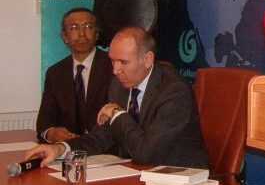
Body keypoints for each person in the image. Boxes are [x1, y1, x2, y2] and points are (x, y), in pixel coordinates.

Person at [26, 26, 208, 169]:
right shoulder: (119, 84)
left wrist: (117, 113)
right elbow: (103, 136)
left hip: (180, 181)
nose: (115, 70)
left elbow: (145, 153)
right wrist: (60, 148)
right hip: (138, 173)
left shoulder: (174, 91)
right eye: (113, 61)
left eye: (123, 62)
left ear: (147, 59)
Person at [36, 7, 112, 143]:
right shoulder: (55, 73)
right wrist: (52, 133)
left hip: (106, 147)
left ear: (96, 34)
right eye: (74, 28)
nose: (82, 34)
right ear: (65, 36)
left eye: (88, 27)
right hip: (68, 148)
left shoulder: (114, 67)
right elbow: (44, 121)